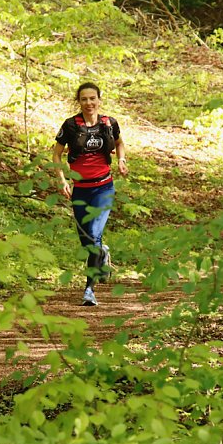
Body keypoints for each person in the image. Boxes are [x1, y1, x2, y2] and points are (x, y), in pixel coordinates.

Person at [52, 82, 128, 306]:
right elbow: (56, 154)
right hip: (80, 190)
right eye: (84, 99)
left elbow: (120, 143)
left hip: (104, 188)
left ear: (99, 100)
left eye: (92, 98)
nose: (89, 103)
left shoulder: (109, 123)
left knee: (94, 236)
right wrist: (62, 180)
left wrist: (122, 160)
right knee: (87, 241)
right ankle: (101, 253)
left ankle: (89, 290)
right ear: (79, 101)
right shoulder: (70, 125)